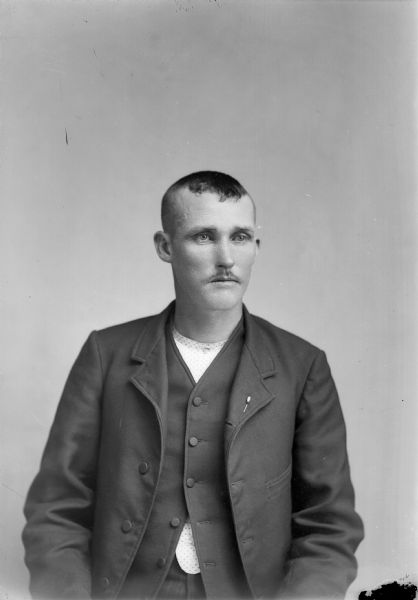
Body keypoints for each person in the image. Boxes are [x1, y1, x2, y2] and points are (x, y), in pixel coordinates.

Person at [22, 171, 364, 600]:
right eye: (203, 237)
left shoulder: (302, 365)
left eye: (239, 237)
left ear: (256, 245)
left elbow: (329, 527)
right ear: (165, 247)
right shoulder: (105, 354)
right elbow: (56, 512)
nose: (226, 258)